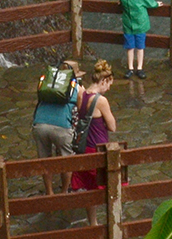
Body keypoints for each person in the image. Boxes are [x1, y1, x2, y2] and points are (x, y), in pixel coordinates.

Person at [69, 59, 118, 224]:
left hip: (84, 147)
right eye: (109, 84)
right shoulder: (101, 101)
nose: (109, 88)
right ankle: (113, 222)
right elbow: (112, 126)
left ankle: (93, 222)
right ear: (103, 81)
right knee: (108, 186)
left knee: (89, 188)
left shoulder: (81, 94)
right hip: (98, 147)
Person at [32, 64, 80, 194]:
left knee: (45, 160)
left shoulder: (48, 83)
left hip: (40, 124)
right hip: (62, 127)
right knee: (66, 162)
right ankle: (64, 192)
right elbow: (80, 108)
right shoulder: (76, 87)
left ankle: (49, 192)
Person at [119, 0, 160, 79]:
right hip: (128, 25)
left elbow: (150, 2)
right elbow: (120, 1)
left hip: (140, 25)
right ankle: (130, 68)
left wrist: (156, 4)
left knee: (140, 47)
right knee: (130, 47)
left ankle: (140, 68)